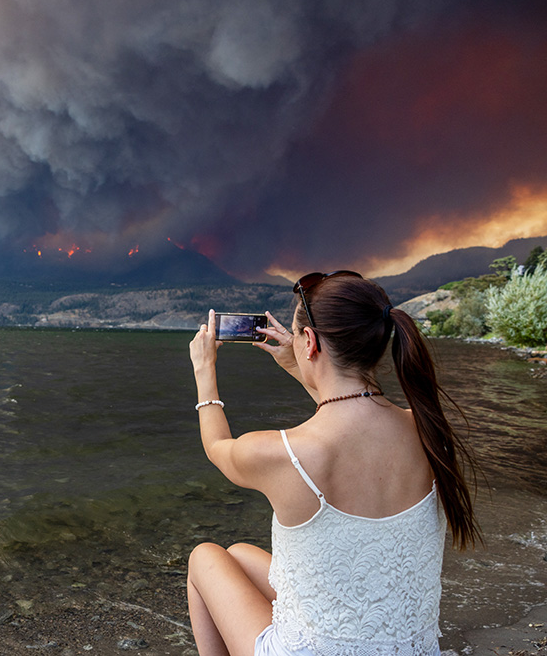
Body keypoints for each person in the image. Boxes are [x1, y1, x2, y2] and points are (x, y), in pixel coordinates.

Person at [186, 271, 480, 656]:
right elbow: (351, 417)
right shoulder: (430, 430)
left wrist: (204, 369)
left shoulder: (287, 454)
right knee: (239, 554)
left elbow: (217, 445)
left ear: (309, 342)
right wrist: (301, 366)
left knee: (204, 557)